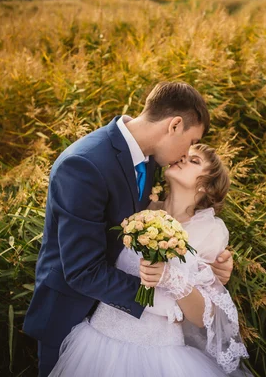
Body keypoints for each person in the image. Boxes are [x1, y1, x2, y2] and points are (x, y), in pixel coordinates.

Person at [22, 81, 234, 376]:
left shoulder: (150, 161)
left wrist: (213, 273)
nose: (185, 154)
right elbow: (83, 270)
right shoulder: (84, 164)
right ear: (174, 125)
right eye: (190, 142)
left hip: (149, 347)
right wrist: (158, 297)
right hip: (72, 319)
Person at [48, 144, 251, 376]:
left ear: (206, 186)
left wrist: (171, 278)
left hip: (159, 354)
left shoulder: (210, 231)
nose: (183, 159)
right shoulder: (139, 208)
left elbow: (204, 316)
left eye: (194, 161)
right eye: (184, 155)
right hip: (99, 339)